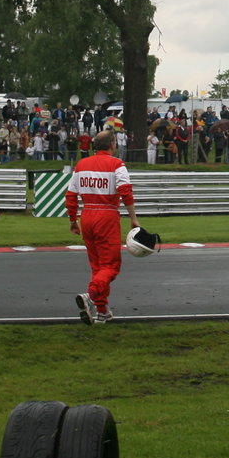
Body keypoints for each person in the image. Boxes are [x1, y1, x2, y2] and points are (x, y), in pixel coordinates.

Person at [66, 129, 141, 325]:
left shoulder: (81, 165)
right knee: (111, 266)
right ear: (112, 145)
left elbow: (71, 195)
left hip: (87, 215)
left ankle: (101, 312)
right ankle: (90, 295)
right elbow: (126, 192)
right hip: (107, 215)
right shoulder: (117, 164)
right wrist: (133, 218)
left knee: (98, 267)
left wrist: (73, 220)